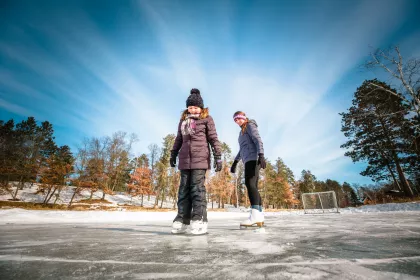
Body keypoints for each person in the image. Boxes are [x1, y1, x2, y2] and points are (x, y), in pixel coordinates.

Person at [170, 88, 222, 235]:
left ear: (201, 107)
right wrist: (173, 153)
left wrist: (218, 156)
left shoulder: (207, 119)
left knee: (197, 189)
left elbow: (213, 138)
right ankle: (182, 219)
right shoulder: (183, 121)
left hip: (201, 159)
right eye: (190, 107)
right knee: (183, 189)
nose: (193, 109)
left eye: (195, 107)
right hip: (185, 159)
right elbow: (179, 139)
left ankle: (200, 219)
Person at [230, 111, 266, 228]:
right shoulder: (241, 132)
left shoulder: (250, 125)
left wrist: (261, 155)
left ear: (244, 118)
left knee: (250, 184)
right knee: (253, 186)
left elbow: (257, 140)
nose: (237, 121)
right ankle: (259, 215)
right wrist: (235, 162)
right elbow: (242, 149)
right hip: (247, 160)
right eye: (235, 120)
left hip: (253, 159)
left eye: (239, 118)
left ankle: (255, 215)